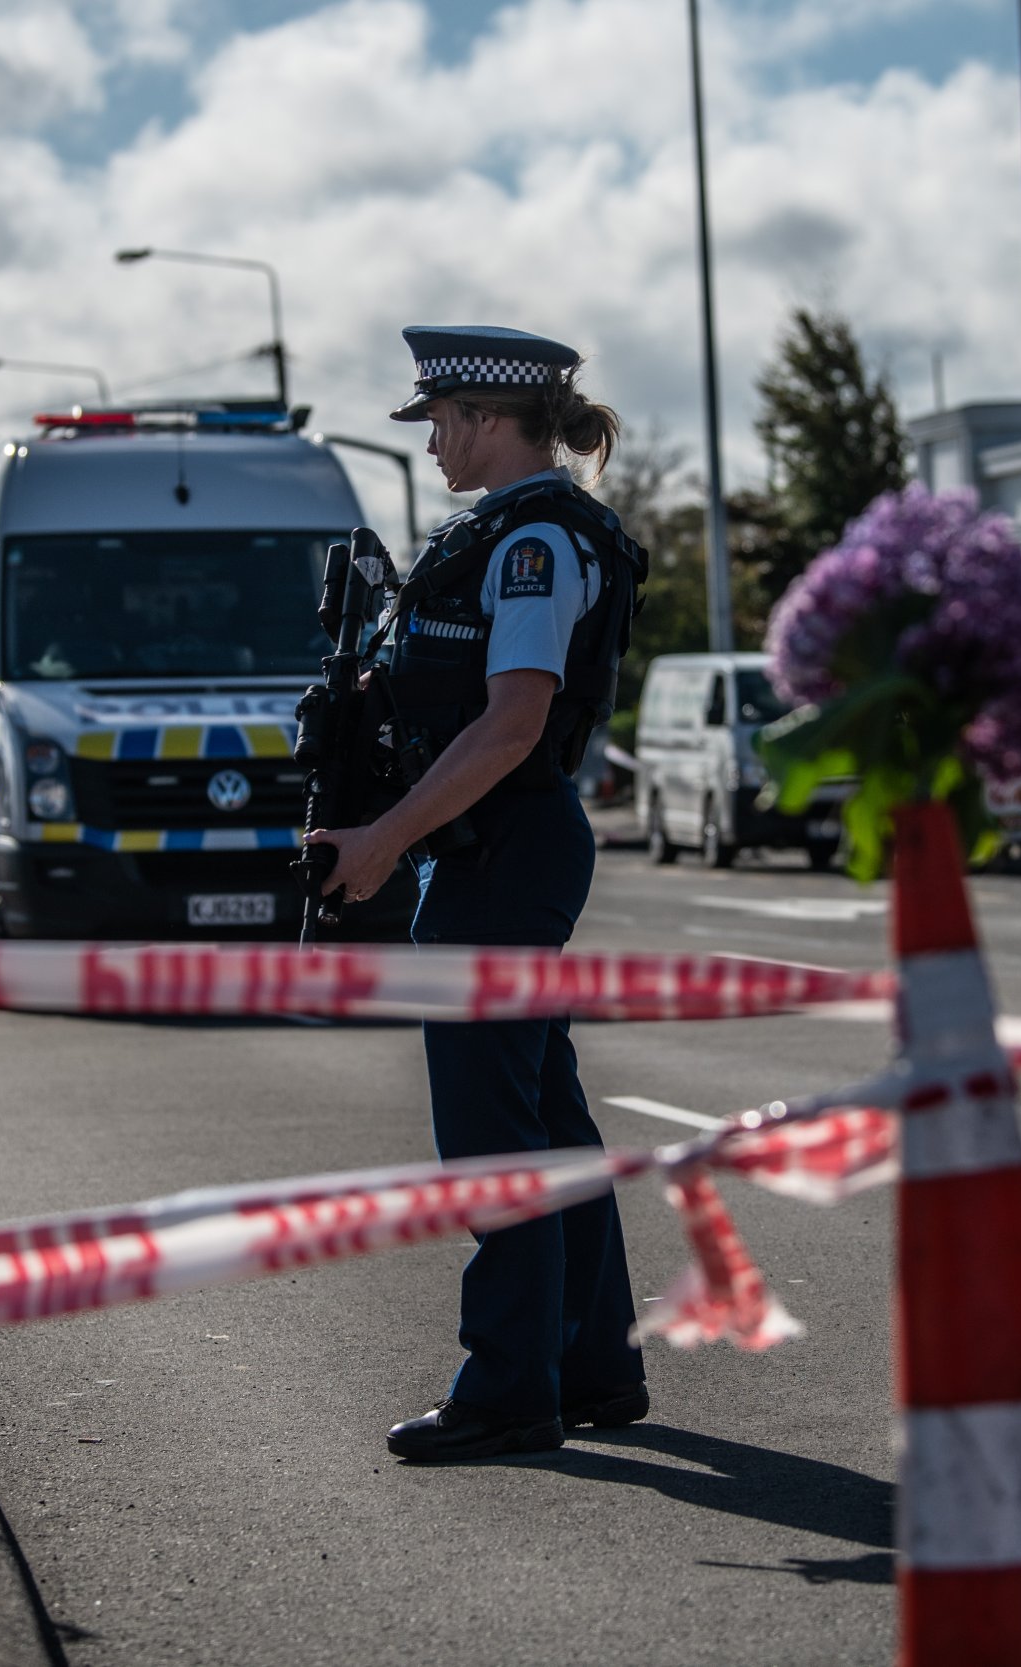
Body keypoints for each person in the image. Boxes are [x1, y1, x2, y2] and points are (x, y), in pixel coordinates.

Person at [307, 325, 650, 1463]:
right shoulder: (497, 534)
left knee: (494, 1136)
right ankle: (592, 1361)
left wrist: (383, 843)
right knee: (545, 1116)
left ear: (492, 417)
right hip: (497, 844)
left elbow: (512, 721)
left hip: (499, 847)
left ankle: (510, 1386)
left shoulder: (535, 542)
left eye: (444, 421)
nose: (436, 442)